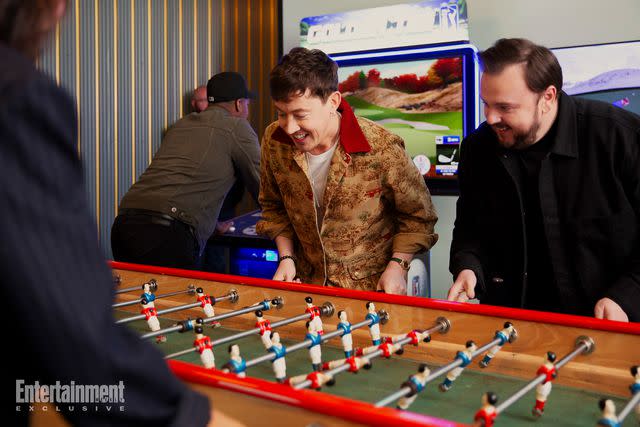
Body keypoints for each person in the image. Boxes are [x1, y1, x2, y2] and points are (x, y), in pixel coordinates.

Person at [0, 1, 238, 425]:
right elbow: (74, 338)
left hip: (126, 221)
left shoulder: (183, 124)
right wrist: (188, 416)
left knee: (151, 314)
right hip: (171, 233)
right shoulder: (16, 93)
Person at [448, 38, 640, 322]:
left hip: (611, 326)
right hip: (514, 328)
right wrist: (469, 267)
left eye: (505, 107)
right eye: (486, 104)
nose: (490, 118)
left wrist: (627, 295)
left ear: (548, 97)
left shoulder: (619, 138)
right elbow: (470, 229)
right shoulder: (478, 149)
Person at [256, 47, 438, 293]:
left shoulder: (381, 146)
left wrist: (397, 266)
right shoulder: (273, 140)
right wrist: (286, 257)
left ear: (332, 102)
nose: (289, 127)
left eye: (300, 115)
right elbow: (273, 207)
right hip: (307, 287)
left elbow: (418, 218)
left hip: (371, 290)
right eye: (281, 114)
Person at [111, 71, 260, 270]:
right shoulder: (237, 127)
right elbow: (265, 189)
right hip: (166, 235)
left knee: (137, 300)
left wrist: (213, 225)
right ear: (239, 104)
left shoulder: (181, 125)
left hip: (124, 225)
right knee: (174, 300)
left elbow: (178, 183)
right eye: (248, 105)